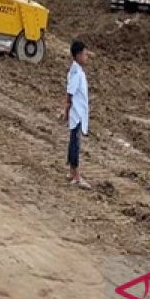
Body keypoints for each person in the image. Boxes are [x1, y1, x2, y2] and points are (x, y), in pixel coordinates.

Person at [61, 39, 91, 188]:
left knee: (73, 142)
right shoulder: (76, 73)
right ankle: (76, 175)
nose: (87, 57)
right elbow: (69, 94)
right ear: (78, 55)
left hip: (77, 112)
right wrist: (66, 110)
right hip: (77, 114)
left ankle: (72, 172)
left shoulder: (76, 71)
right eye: (85, 54)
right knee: (75, 144)